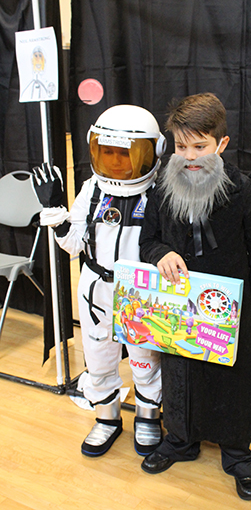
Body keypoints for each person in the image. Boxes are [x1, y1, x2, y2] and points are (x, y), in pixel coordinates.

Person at [139, 93, 251, 501]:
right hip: (179, 306)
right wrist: (161, 254)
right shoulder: (162, 188)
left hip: (230, 307)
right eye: (181, 147)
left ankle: (237, 455)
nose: (190, 155)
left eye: (199, 146)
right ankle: (180, 440)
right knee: (179, 376)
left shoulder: (243, 191)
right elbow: (148, 240)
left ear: (221, 143)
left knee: (232, 380)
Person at [31, 105, 166, 458]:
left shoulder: (159, 195)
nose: (118, 164)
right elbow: (75, 245)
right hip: (96, 288)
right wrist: (58, 213)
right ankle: (106, 417)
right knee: (99, 357)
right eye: (107, 153)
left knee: (145, 358)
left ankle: (149, 416)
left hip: (141, 292)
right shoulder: (93, 191)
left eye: (127, 155)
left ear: (152, 152)